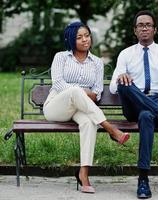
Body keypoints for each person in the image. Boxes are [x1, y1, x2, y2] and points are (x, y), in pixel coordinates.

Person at [43, 21, 130, 194]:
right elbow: (59, 84)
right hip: (56, 106)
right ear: (70, 40)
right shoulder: (61, 57)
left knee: (89, 123)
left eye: (87, 36)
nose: (85, 40)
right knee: (75, 91)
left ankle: (84, 174)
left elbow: (97, 93)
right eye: (79, 37)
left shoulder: (97, 62)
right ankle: (111, 130)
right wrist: (82, 92)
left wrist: (82, 94)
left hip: (81, 109)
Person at [109, 10, 158, 199]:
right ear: (134, 31)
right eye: (140, 25)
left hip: (157, 100)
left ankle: (143, 180)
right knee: (123, 83)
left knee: (146, 116)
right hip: (132, 105)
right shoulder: (126, 54)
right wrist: (122, 77)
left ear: (155, 30)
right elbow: (113, 88)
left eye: (148, 25)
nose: (144, 28)